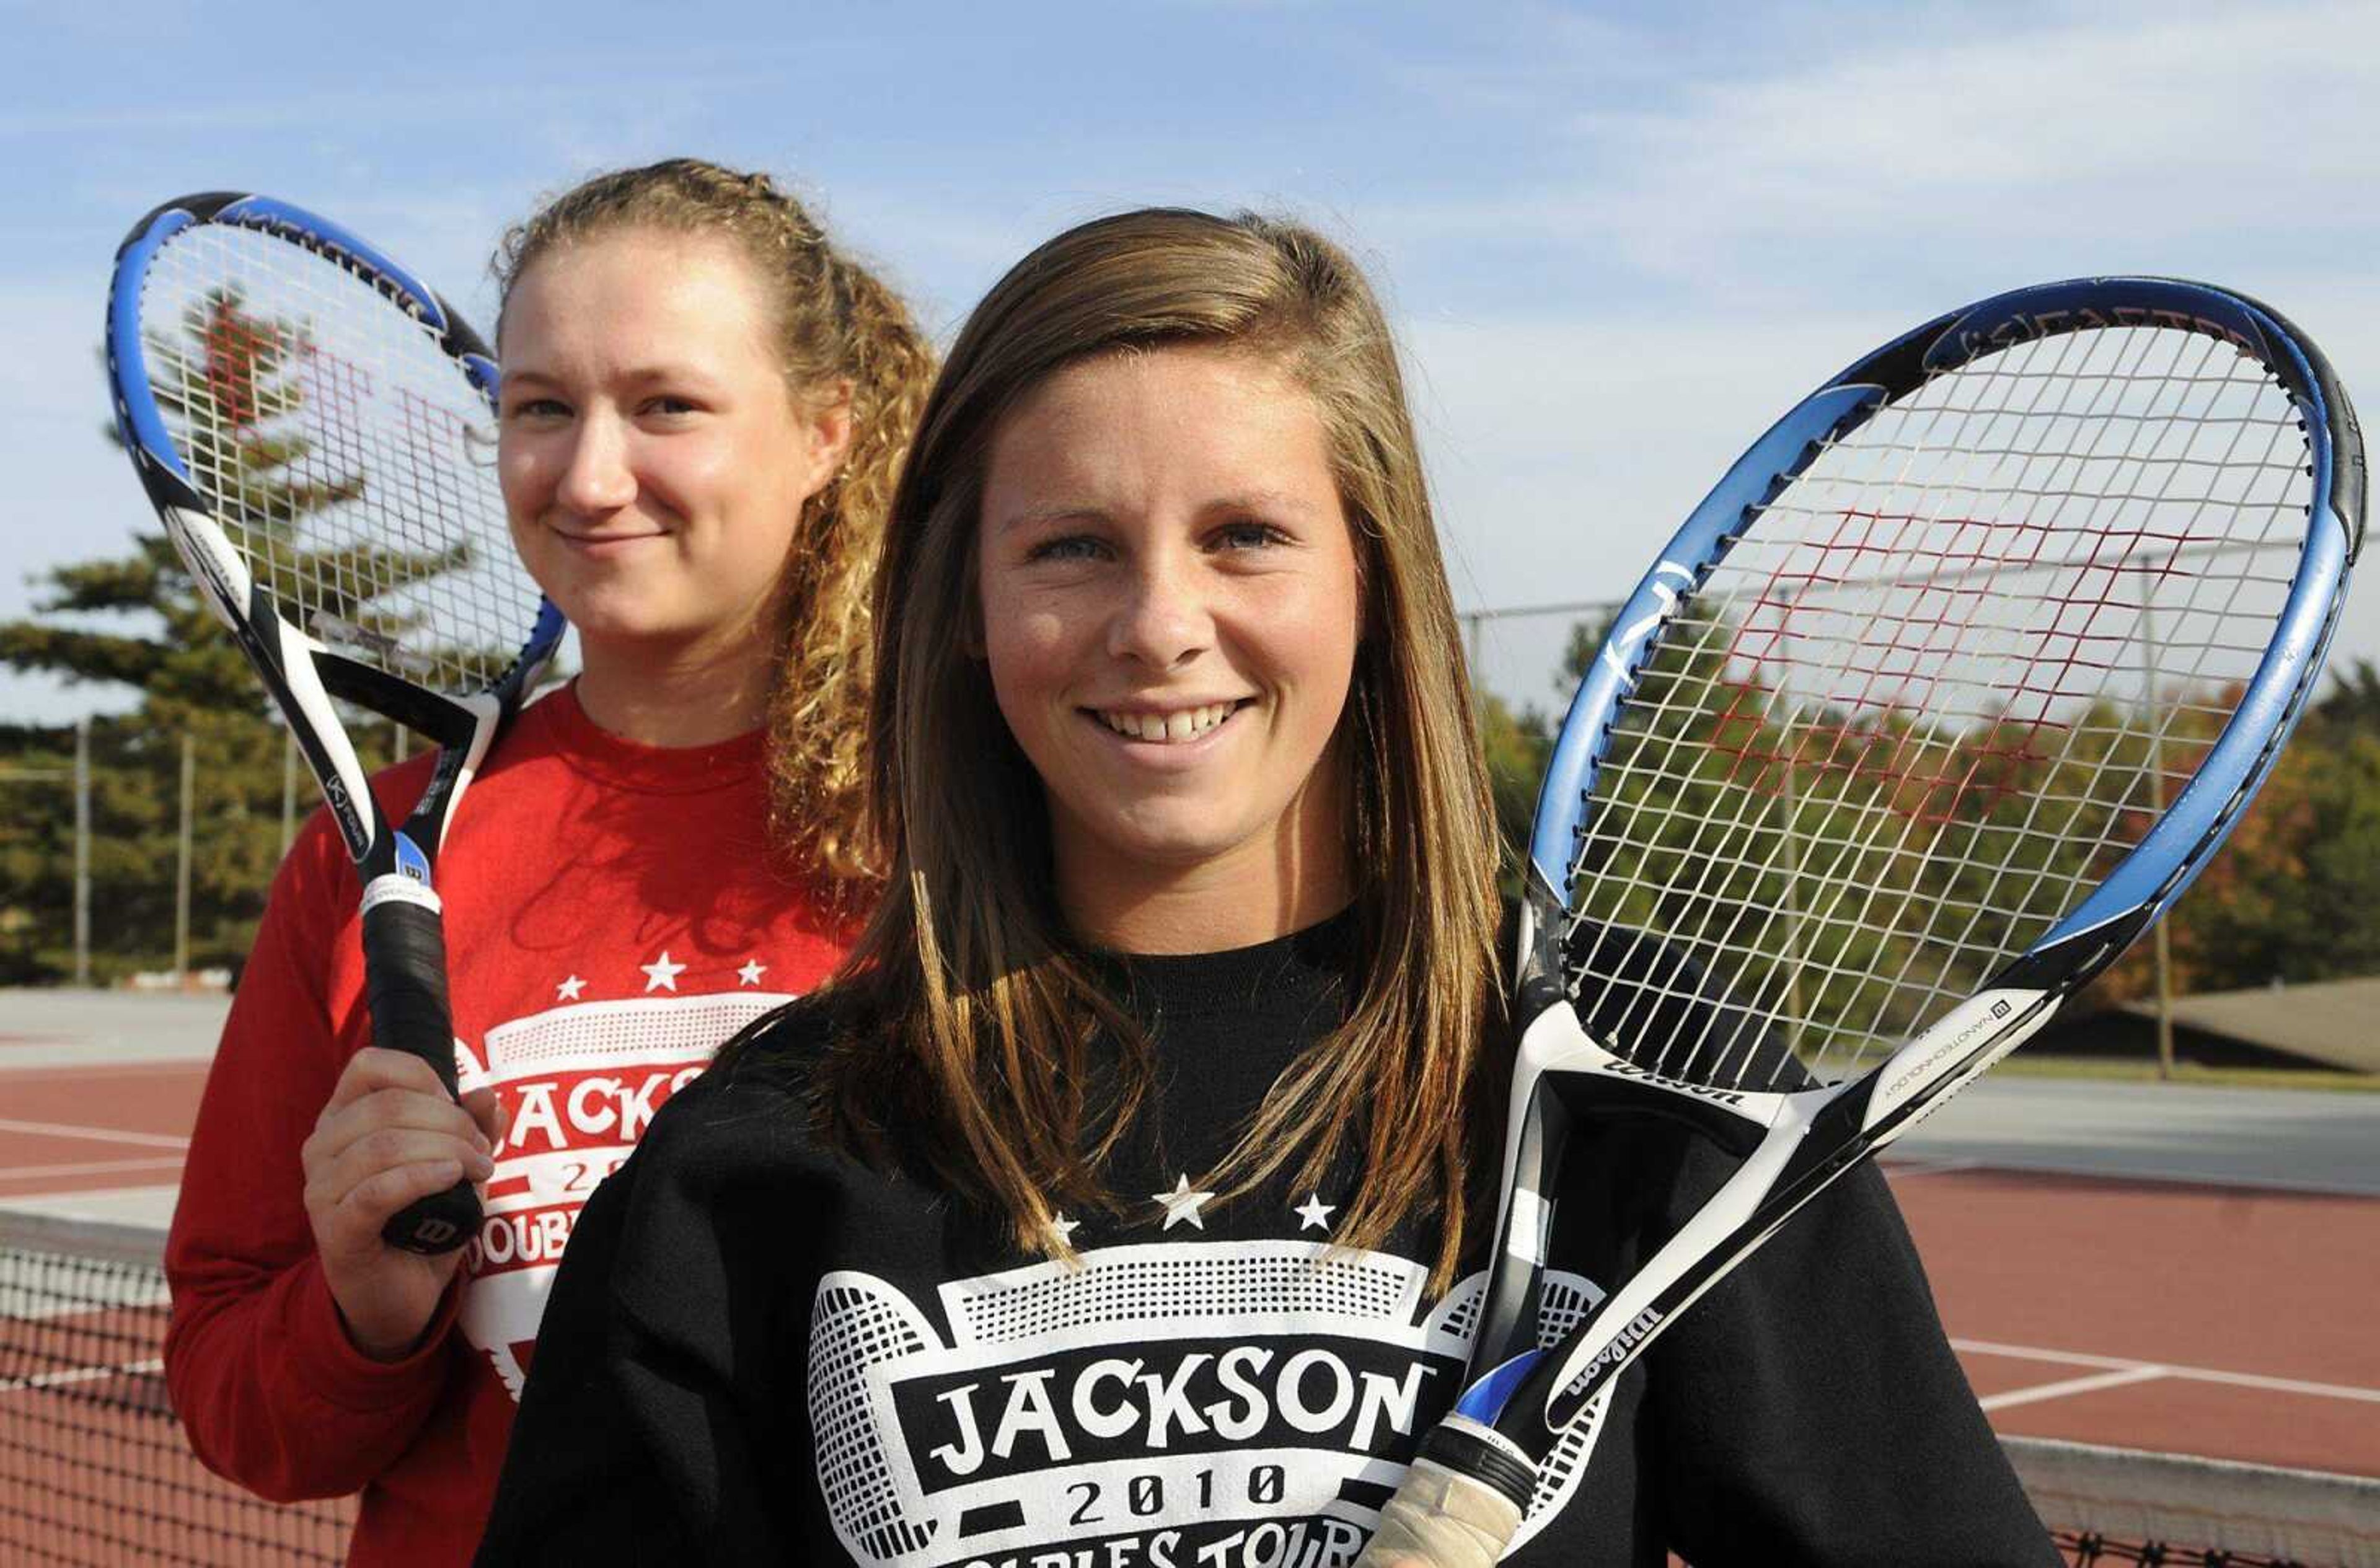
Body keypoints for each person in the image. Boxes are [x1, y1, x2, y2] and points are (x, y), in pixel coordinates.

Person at [475, 208, 2057, 1567]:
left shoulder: (1650, 1088)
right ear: (963, 607)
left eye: (1246, 535)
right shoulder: (759, 1154)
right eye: (1073, 547)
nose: (1161, 622)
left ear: (1374, 581)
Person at [162, 158, 935, 1567]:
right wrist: (365, 1306)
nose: (587, 475)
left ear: (827, 430)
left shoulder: (973, 819)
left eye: (667, 405)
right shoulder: (379, 853)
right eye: (539, 408)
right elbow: (238, 1408)